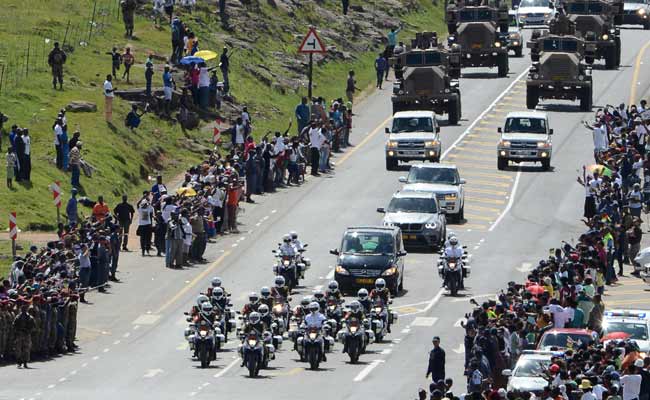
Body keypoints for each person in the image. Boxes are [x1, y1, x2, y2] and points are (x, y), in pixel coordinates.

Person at [13, 301, 36, 368]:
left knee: (26, 348)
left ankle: (25, 362)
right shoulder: (18, 317)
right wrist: (16, 332)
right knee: (18, 348)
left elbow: (33, 326)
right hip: (19, 334)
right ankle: (19, 362)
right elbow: (14, 325)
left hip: (27, 334)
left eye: (25, 309)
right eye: (22, 309)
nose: (23, 310)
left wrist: (29, 331)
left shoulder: (30, 317)